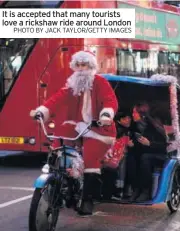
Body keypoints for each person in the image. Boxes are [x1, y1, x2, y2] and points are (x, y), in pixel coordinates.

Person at [30, 50, 118, 215]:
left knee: (91, 156)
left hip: (98, 128)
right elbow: (57, 99)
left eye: (84, 64)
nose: (80, 68)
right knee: (58, 145)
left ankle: (88, 200)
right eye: (77, 65)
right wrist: (43, 110)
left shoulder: (100, 82)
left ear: (91, 66)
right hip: (76, 126)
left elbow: (110, 100)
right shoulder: (72, 84)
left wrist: (106, 114)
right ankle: (58, 183)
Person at [128, 101, 168, 202]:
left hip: (159, 154)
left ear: (141, 115)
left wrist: (149, 144)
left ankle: (146, 191)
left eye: (134, 112)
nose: (132, 115)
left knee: (144, 157)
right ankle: (136, 189)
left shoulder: (154, 126)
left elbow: (164, 146)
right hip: (144, 152)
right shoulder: (135, 125)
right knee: (132, 156)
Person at [101, 111, 133, 199]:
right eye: (127, 118)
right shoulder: (118, 129)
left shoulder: (124, 130)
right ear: (120, 120)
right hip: (113, 156)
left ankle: (118, 191)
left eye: (130, 118)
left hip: (118, 156)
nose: (129, 120)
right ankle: (117, 191)